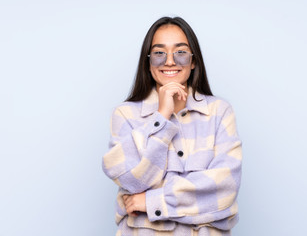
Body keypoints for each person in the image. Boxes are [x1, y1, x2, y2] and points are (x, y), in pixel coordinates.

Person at [102, 16, 242, 236]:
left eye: (181, 52)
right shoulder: (125, 114)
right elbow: (131, 180)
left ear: (193, 61)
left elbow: (224, 189)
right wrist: (162, 116)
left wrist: (151, 201)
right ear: (148, 63)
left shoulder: (219, 112)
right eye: (159, 53)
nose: (169, 61)